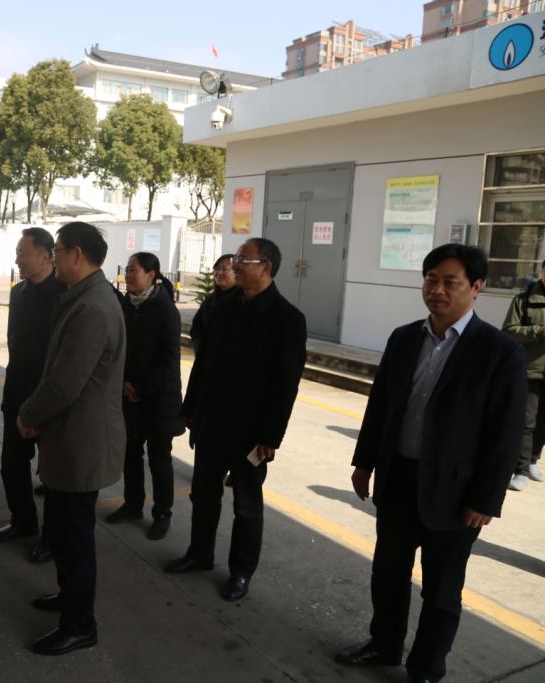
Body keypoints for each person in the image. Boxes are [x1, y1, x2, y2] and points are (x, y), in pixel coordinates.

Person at [335, 244, 525, 683]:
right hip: (399, 479)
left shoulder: (498, 351)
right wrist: (365, 462)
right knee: (388, 573)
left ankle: (425, 667)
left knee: (441, 589)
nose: (437, 290)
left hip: (455, 493)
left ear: (476, 287)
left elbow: (506, 434)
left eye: (450, 282)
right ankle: (384, 644)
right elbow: (380, 407)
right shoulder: (404, 338)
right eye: (431, 279)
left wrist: (486, 499)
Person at [165, 237, 307, 605]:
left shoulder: (286, 319)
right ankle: (199, 553)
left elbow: (285, 386)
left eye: (245, 260)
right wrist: (190, 409)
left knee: (246, 505)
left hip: (251, 432)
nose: (236, 265)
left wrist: (271, 436)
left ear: (267, 268)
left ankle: (241, 571)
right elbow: (204, 364)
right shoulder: (223, 306)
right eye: (237, 259)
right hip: (211, 422)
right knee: (203, 494)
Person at [17, 222, 125, 656]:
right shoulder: (83, 298)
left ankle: (80, 625)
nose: (53, 258)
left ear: (76, 255)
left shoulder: (92, 308)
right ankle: (69, 597)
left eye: (58, 250)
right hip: (70, 438)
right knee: (63, 530)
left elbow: (64, 383)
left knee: (75, 537)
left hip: (82, 442)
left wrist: (28, 414)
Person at [0, 228, 65, 563]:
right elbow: (15, 344)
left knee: (53, 475)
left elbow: (63, 359)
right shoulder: (18, 292)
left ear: (45, 256)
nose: (17, 259)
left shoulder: (65, 295)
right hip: (17, 396)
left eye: (22, 253)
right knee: (12, 464)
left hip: (51, 401)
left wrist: (41, 407)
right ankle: (23, 521)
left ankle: (53, 537)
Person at [106, 252, 184, 541]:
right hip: (129, 394)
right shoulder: (125, 305)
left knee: (159, 460)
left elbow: (168, 359)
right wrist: (125, 383)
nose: (128, 275)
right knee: (130, 454)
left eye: (134, 270)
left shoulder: (165, 309)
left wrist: (139, 387)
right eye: (126, 270)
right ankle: (133, 504)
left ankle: (162, 513)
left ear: (152, 275)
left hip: (159, 398)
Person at [501, 259, 545, 491]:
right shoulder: (523, 300)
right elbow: (509, 331)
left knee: (543, 422)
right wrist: (539, 331)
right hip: (531, 370)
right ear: (542, 272)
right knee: (527, 422)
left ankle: (533, 460)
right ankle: (521, 470)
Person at [189, 253, 236, 355]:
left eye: (224, 269)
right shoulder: (210, 300)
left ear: (237, 272)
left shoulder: (242, 300)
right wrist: (200, 348)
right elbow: (197, 328)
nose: (219, 273)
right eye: (217, 269)